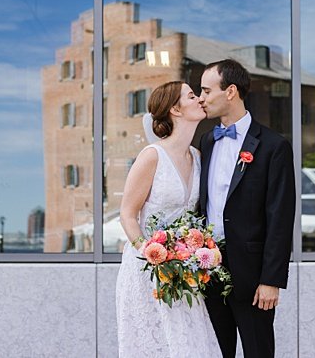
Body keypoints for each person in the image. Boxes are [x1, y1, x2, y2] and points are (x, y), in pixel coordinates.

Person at [196, 59, 296, 358]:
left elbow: (280, 216)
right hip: (208, 269)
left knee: (258, 351)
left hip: (253, 276)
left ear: (230, 92)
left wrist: (271, 280)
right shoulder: (206, 141)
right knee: (216, 352)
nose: (201, 98)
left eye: (206, 90)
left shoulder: (273, 145)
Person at [115, 81, 222, 356]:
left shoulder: (197, 157)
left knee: (189, 345)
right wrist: (151, 254)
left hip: (183, 273)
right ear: (175, 108)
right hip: (146, 270)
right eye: (191, 95)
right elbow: (127, 214)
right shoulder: (152, 156)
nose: (200, 99)